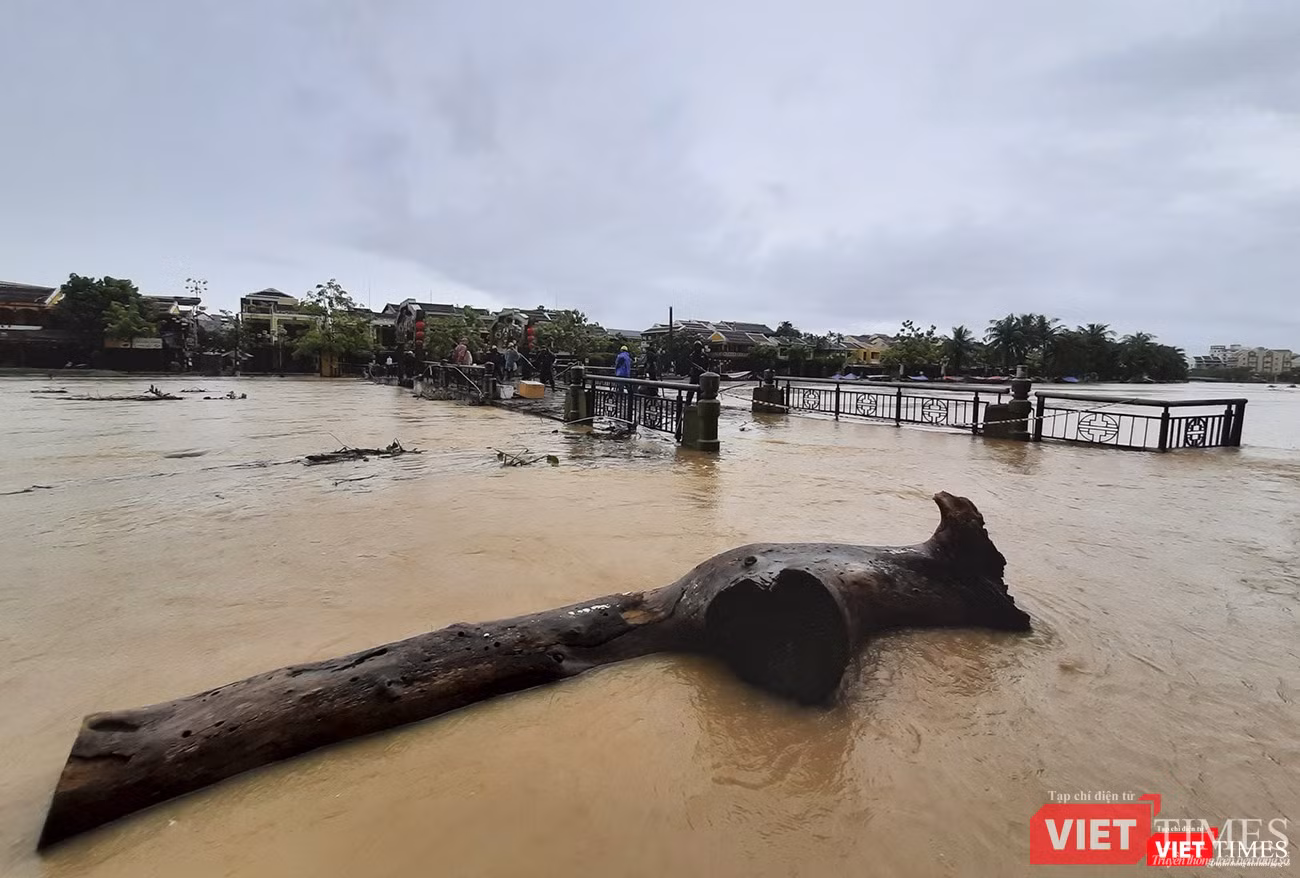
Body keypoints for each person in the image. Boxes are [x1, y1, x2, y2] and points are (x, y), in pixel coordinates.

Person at [685, 340, 709, 405]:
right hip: (694, 374)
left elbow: (707, 364)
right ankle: (688, 402)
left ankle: (699, 403)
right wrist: (696, 368)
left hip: (702, 374)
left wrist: (704, 369)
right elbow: (690, 364)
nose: (697, 348)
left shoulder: (704, 355)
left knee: (700, 390)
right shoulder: (692, 355)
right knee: (691, 389)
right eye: (696, 346)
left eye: (699, 346)